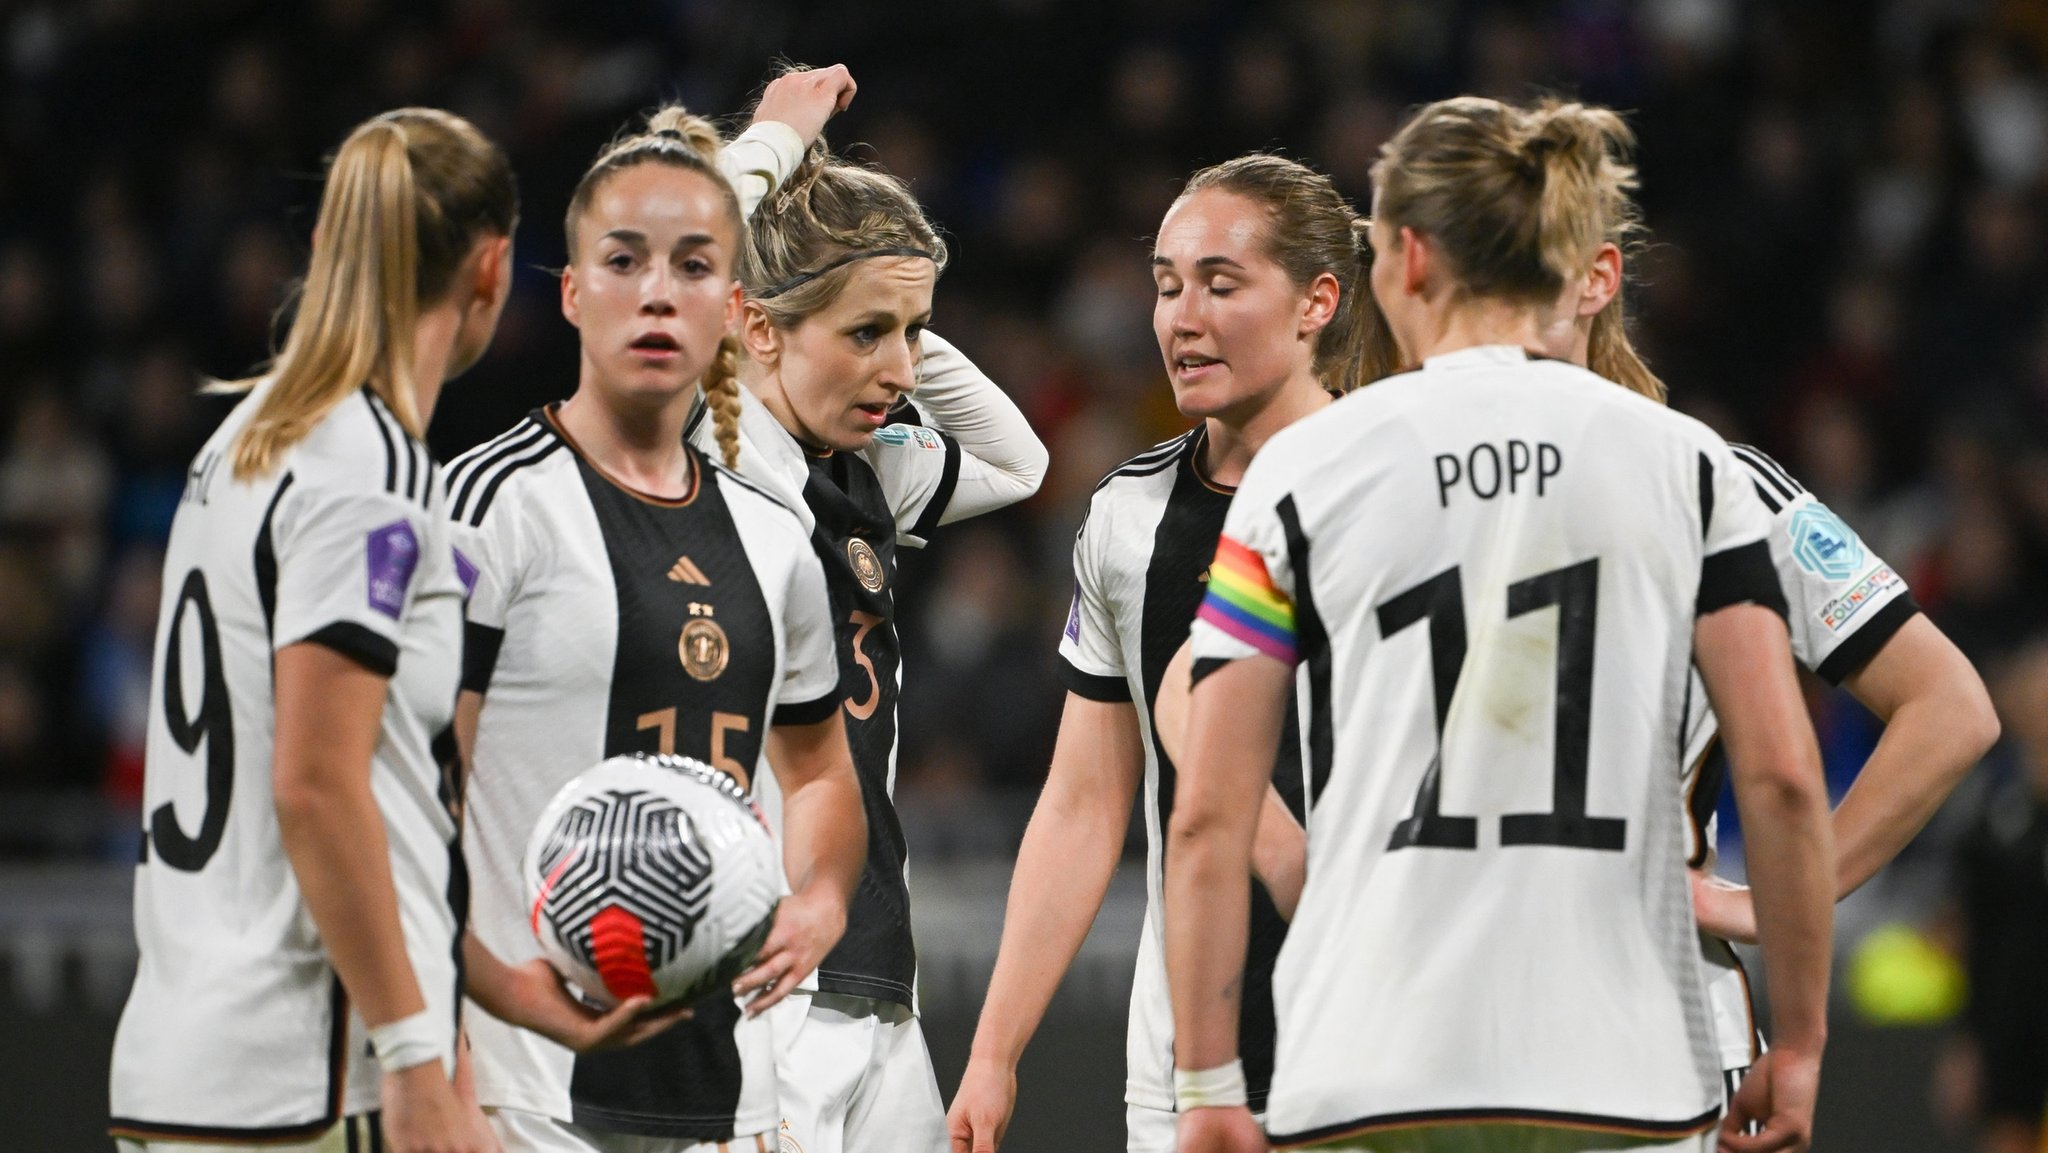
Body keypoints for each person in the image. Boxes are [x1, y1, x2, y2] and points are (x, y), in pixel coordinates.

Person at [1166, 96, 1836, 1153]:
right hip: (1623, 1072)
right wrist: (1795, 1040)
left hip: (1364, 1064)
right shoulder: (1687, 464)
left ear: (1413, 257)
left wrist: (1205, 1082)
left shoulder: (1303, 469)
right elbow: (1784, 776)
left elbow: (1208, 809)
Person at [448, 84, 871, 1153]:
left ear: (733, 309)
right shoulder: (486, 505)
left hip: (736, 1104)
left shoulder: (777, 538)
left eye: (691, 266)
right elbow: (405, 801)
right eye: (624, 260)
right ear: (571, 293)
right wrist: (438, 1065)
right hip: (523, 1096)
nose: (656, 294)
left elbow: (818, 770)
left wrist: (822, 895)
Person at [946, 153, 1390, 1153]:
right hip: (1186, 1069)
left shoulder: (1401, 490)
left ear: (1317, 300)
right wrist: (992, 1049)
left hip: (1383, 1045)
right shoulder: (1126, 516)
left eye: (1219, 284)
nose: (1180, 317)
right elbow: (1083, 798)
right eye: (1164, 284)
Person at [108, 107, 517, 1153]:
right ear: (490, 271)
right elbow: (317, 781)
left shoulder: (247, 438)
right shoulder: (362, 470)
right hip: (298, 1080)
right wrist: (417, 1059)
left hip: (186, 1054)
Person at [696, 137, 1048, 1153]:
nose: (898, 370)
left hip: (876, 968)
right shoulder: (707, 464)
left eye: (914, 334)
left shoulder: (864, 474)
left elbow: (1017, 461)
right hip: (752, 979)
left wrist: (883, 307)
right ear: (754, 326)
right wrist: (763, 147)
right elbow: (679, 271)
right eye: (866, 335)